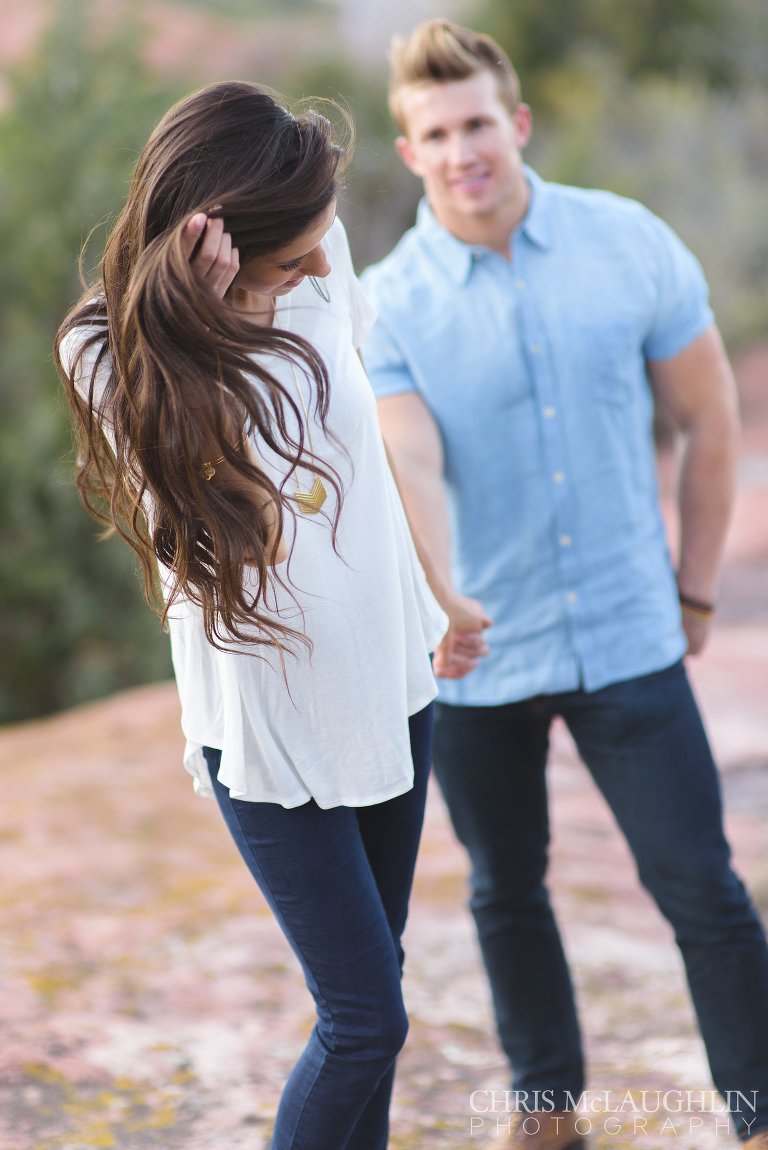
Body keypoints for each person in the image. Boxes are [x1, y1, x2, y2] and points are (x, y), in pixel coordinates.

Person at [361, 19, 768, 1149]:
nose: (462, 149)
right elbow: (414, 460)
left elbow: (708, 416)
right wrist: (442, 596)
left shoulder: (624, 241)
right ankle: (546, 1109)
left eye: (478, 122)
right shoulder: (391, 303)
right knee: (506, 888)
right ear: (409, 151)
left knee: (700, 881)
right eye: (435, 132)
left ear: (518, 122)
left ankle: (760, 1109)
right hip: (482, 652)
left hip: (633, 632)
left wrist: (693, 590)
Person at [54, 80, 475, 1150]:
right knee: (365, 1019)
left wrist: (440, 592)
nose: (325, 270)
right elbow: (214, 514)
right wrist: (220, 327)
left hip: (390, 685)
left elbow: (366, 465)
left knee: (379, 982)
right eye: (296, 259)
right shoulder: (110, 356)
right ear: (215, 241)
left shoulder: (326, 290)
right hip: (273, 730)